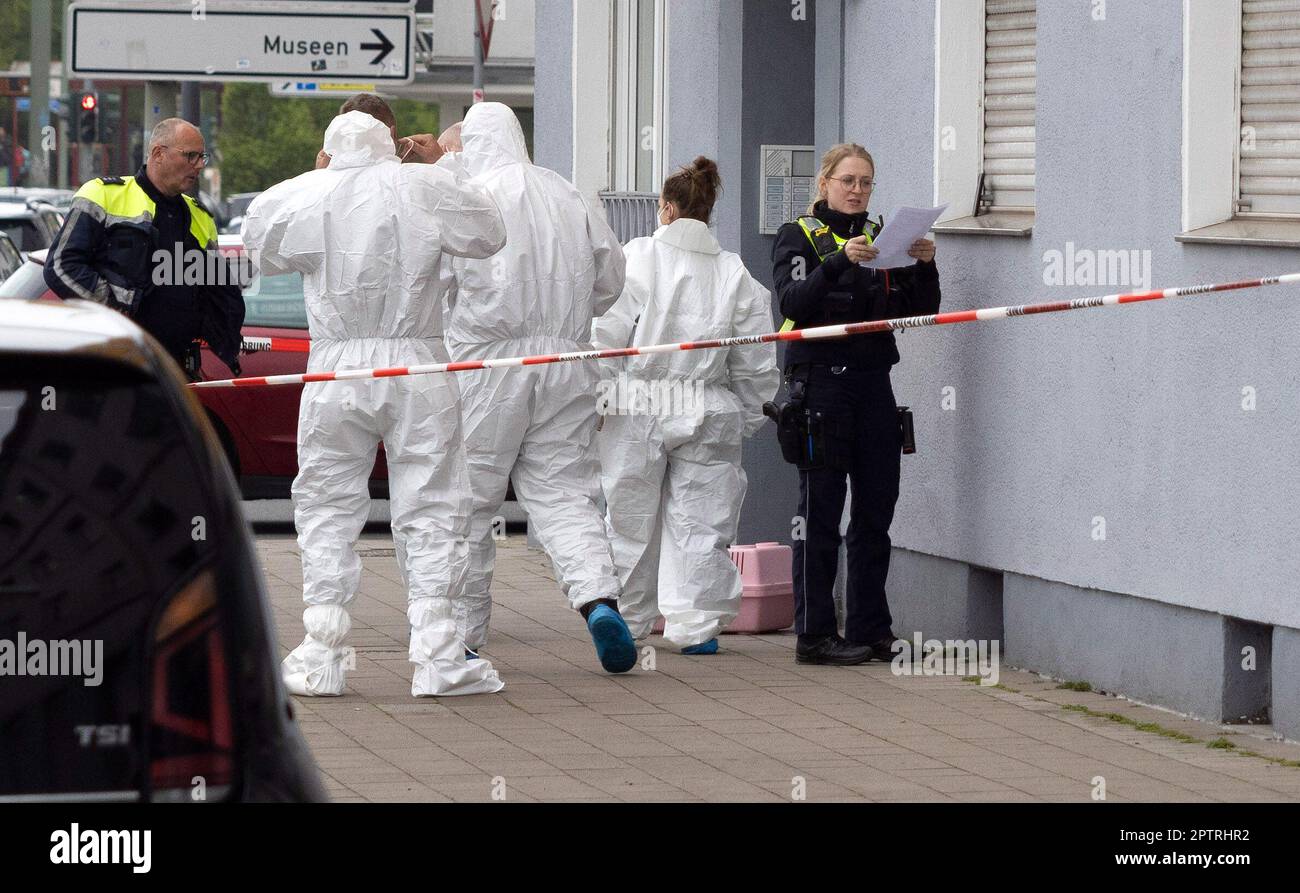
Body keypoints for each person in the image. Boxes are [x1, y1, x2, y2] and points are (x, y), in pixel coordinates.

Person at [240, 98, 508, 697]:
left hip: (337, 367)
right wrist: (446, 167)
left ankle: (323, 652)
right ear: (388, 142)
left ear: (331, 149)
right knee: (434, 502)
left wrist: (319, 174)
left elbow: (257, 234)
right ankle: (439, 655)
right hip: (417, 362)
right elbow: (490, 231)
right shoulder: (422, 187)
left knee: (327, 503)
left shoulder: (310, 193)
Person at [440, 102, 635, 673]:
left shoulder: (469, 197)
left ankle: (464, 636)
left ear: (474, 144)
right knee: (565, 493)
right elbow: (611, 277)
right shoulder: (567, 192)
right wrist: (568, 318)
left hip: (486, 366)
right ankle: (599, 601)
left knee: (470, 502)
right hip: (567, 359)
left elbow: (441, 283)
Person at [592, 157, 779, 653]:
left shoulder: (637, 256)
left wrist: (600, 394)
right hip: (707, 404)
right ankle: (697, 629)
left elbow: (605, 336)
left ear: (667, 209)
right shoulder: (734, 273)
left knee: (630, 519)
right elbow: (755, 359)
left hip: (638, 400)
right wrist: (749, 413)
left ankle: (626, 623)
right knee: (703, 521)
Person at [770, 143, 940, 666]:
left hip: (873, 384)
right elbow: (793, 304)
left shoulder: (886, 237)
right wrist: (840, 262)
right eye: (848, 180)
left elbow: (921, 311)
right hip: (820, 384)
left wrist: (924, 266)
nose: (857, 191)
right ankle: (815, 635)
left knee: (875, 510)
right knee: (819, 513)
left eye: (866, 182)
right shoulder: (799, 236)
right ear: (824, 184)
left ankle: (871, 630)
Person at [43, 118, 245, 378]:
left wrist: (225, 335)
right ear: (159, 153)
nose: (198, 165)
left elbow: (218, 292)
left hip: (178, 370)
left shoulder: (201, 216)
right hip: (117, 364)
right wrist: (116, 306)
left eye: (201, 157)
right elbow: (61, 266)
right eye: (190, 156)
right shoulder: (103, 194)